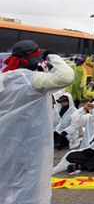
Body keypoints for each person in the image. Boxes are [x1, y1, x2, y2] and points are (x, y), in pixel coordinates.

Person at [0, 40, 74, 203]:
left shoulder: (3, 78)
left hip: (4, 139)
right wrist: (52, 56)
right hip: (29, 142)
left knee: (3, 180)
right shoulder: (34, 80)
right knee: (28, 183)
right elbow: (67, 77)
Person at [53, 98, 94, 175]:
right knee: (70, 156)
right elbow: (74, 119)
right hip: (87, 149)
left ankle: (81, 166)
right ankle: (89, 165)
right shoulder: (90, 118)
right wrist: (83, 109)